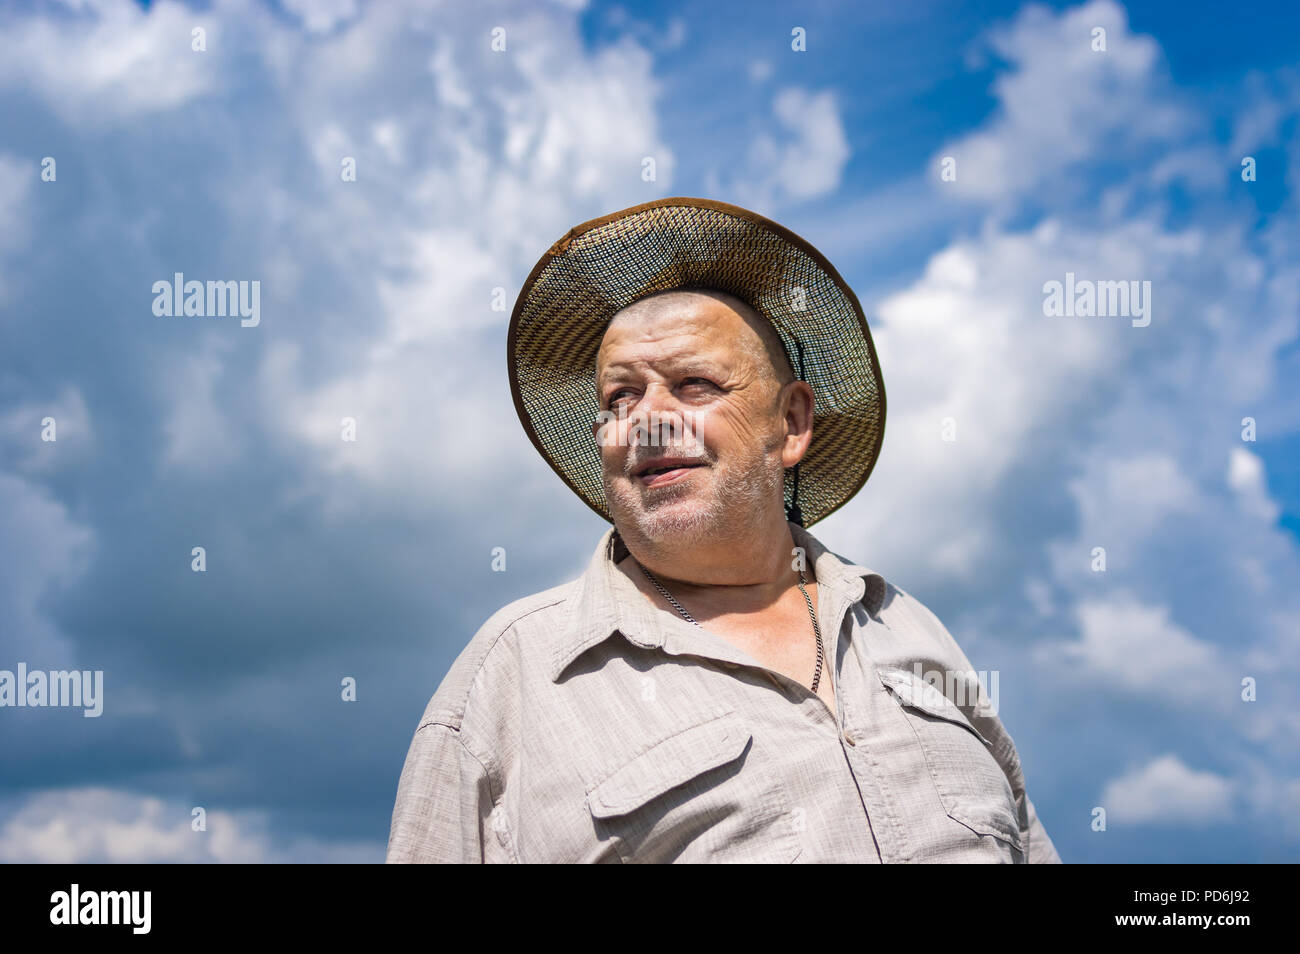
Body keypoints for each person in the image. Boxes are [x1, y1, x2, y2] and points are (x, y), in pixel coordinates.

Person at [386, 197, 1061, 863]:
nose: (648, 420)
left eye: (695, 385)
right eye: (620, 397)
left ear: (791, 424)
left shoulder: (908, 627)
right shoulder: (514, 676)